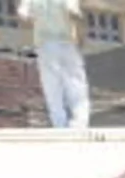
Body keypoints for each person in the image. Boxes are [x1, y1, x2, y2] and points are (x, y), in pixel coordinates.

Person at [21, 0, 88, 129]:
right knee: (75, 83)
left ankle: (59, 123)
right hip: (66, 42)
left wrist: (39, 21)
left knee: (51, 86)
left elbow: (23, 16)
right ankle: (79, 122)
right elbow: (74, 13)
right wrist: (81, 38)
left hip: (44, 45)